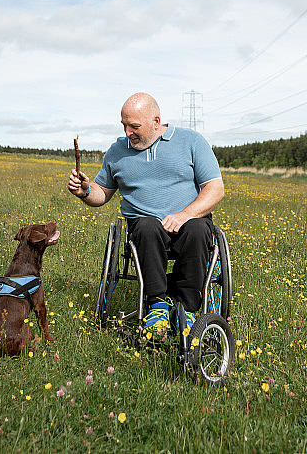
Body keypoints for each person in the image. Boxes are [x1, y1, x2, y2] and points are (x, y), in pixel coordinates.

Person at [68, 92, 224, 335]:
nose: (128, 132)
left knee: (198, 228)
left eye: (134, 126)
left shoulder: (191, 141)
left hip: (189, 224)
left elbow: (215, 189)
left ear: (156, 121)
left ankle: (187, 309)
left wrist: (185, 214)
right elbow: (102, 194)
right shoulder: (117, 151)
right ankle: (157, 306)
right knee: (146, 226)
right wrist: (86, 191)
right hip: (145, 231)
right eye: (124, 125)